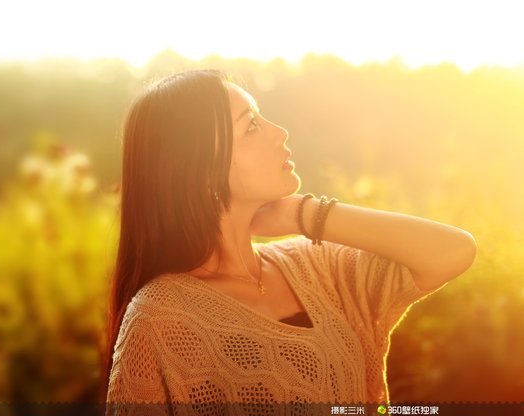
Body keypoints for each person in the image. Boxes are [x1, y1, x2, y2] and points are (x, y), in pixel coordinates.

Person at [101, 69, 476, 414]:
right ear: (198, 168)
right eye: (250, 127)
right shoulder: (162, 318)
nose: (279, 131)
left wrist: (304, 215)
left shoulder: (315, 265)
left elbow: (453, 251)